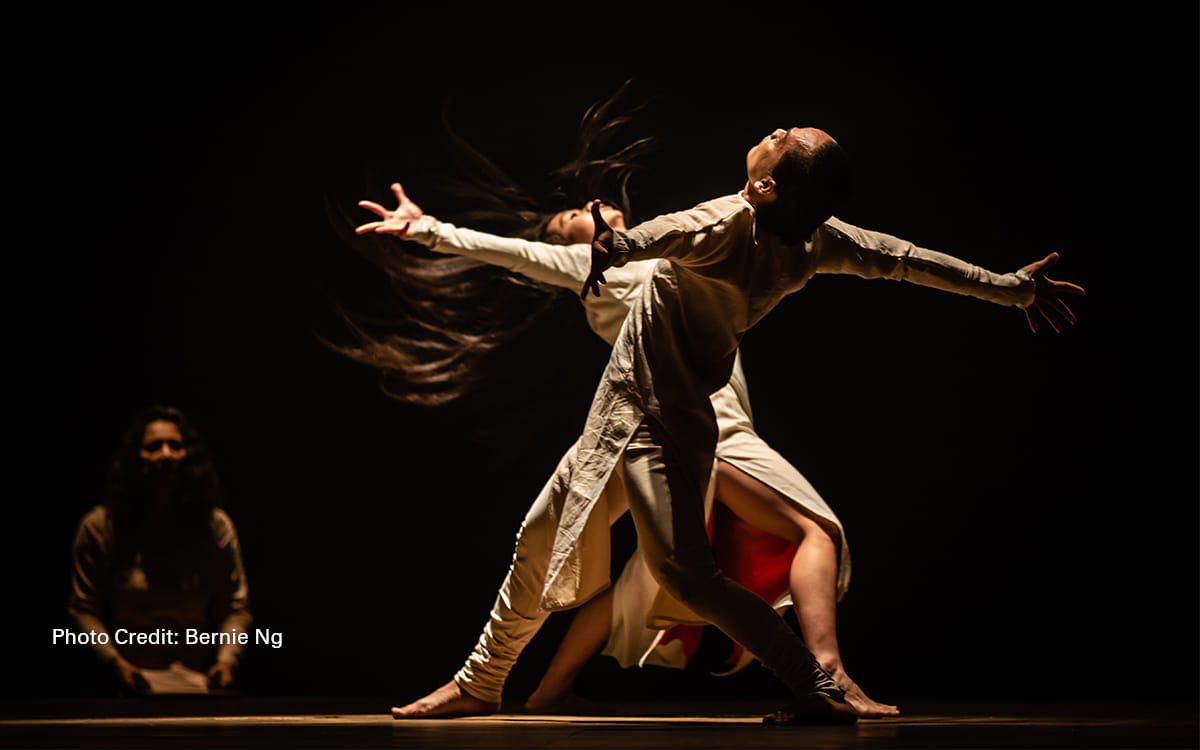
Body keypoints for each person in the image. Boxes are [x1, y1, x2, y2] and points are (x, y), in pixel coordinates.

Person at [359, 124, 1084, 725]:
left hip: (659, 422)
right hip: (633, 421)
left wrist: (617, 246)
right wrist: (1010, 290)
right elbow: (903, 259)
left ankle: (816, 682)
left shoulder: (722, 222)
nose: (773, 130)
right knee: (545, 537)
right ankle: (484, 682)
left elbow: (662, 233)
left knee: (687, 572)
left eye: (782, 138)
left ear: (767, 187)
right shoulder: (815, 237)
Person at [354, 181, 895, 717]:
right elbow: (514, 252)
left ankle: (820, 679)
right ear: (569, 244)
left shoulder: (678, 245)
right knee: (565, 547)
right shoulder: (594, 264)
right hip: (661, 425)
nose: (590, 208)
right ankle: (485, 681)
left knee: (660, 572)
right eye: (572, 217)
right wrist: (428, 230)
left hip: (692, 426)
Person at [68, 405, 252, 694]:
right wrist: (115, 663)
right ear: (135, 457)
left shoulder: (214, 526)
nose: (166, 455)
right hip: (128, 685)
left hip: (198, 684)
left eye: (175, 446)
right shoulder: (100, 527)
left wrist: (226, 661)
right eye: (153, 447)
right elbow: (83, 608)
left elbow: (235, 608)